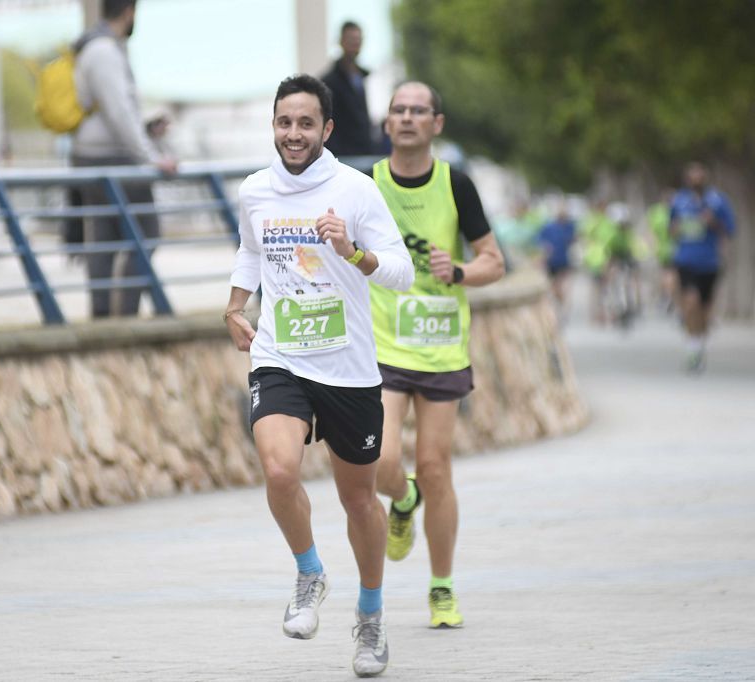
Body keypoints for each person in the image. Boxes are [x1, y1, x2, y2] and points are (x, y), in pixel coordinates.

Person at [224, 74, 413, 678]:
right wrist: (234, 306)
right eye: (285, 122)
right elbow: (251, 250)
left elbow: (402, 272)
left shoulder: (356, 191)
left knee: (358, 497)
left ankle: (371, 616)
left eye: (306, 123)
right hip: (281, 354)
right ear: (273, 127)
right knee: (278, 467)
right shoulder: (255, 191)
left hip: (349, 367)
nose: (294, 134)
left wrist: (353, 251)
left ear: (327, 130)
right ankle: (309, 571)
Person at [368, 82, 505, 629]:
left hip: (442, 344)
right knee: (377, 460)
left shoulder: (458, 184)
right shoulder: (367, 185)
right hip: (382, 344)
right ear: (387, 123)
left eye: (418, 111)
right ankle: (403, 502)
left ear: (436, 124)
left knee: (435, 467)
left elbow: (494, 261)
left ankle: (442, 587)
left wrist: (462, 273)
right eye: (398, 110)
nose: (407, 118)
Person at [70, 0, 177, 318]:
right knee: (147, 231)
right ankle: (124, 311)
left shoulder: (93, 48)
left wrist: (145, 129)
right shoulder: (104, 52)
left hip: (94, 157)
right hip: (111, 160)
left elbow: (114, 113)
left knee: (104, 235)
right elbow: (118, 112)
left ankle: (103, 312)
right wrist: (151, 157)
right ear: (129, 12)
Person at [669, 162, 735, 372]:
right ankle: (692, 345)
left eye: (700, 176)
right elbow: (670, 229)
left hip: (709, 262)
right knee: (691, 302)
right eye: (692, 176)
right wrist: (677, 227)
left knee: (705, 311)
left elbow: (730, 230)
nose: (696, 180)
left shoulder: (717, 201)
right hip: (685, 260)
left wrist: (712, 222)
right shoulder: (679, 201)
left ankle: (699, 343)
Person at [321, 21, 375, 157]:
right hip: (343, 157)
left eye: (358, 40)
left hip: (365, 153)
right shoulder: (329, 82)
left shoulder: (362, 76)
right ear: (341, 41)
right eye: (351, 39)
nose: (355, 44)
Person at [537, 204, 577, 323]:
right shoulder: (549, 227)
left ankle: (562, 309)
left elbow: (573, 240)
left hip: (563, 261)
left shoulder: (569, 226)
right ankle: (558, 307)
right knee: (553, 288)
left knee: (560, 286)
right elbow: (540, 241)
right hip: (551, 262)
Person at [645, 190, 677, 312]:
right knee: (671, 274)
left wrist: (651, 245)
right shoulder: (673, 211)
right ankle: (668, 296)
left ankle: (667, 296)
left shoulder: (656, 212)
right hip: (672, 248)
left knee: (666, 274)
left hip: (662, 248)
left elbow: (650, 231)